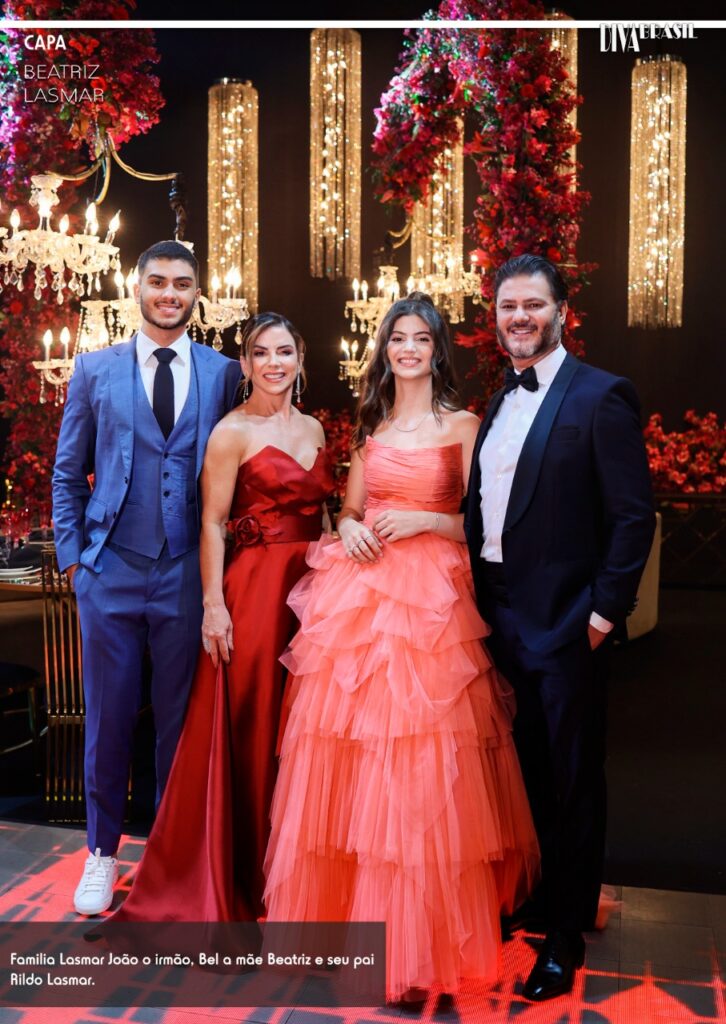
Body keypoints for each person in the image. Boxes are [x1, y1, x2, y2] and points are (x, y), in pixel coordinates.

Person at [264, 293, 540, 1004]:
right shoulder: (373, 427)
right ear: (384, 349)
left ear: (437, 350)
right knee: (351, 755)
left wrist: (427, 520)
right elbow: (351, 509)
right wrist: (351, 527)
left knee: (424, 758)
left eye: (421, 338)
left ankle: (420, 945)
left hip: (435, 599)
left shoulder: (466, 425)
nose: (408, 348)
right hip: (362, 594)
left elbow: (488, 524)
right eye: (398, 338)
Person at [464, 254, 656, 1001]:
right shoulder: (494, 402)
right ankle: (542, 901)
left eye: (533, 305)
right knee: (526, 775)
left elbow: (632, 519)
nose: (519, 317)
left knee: (575, 780)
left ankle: (566, 936)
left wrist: (603, 616)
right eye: (508, 306)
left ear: (561, 312)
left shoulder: (602, 395)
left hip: (569, 624)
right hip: (497, 617)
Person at [109, 311, 334, 923]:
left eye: (284, 352)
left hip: (314, 592)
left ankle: (295, 879)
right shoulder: (231, 432)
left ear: (300, 358)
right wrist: (214, 606)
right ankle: (243, 875)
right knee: (252, 722)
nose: (273, 363)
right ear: (245, 364)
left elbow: (324, 515)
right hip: (255, 593)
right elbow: (211, 522)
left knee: (302, 732)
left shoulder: (314, 427)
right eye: (261, 353)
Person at [52, 240, 240, 916]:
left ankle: (168, 855)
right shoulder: (94, 369)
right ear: (136, 288)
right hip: (110, 571)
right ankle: (102, 852)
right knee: (107, 720)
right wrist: (76, 561)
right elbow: (67, 473)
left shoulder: (225, 373)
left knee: (179, 725)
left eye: (181, 284)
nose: (169, 294)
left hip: (187, 574)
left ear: (197, 294)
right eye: (157, 282)